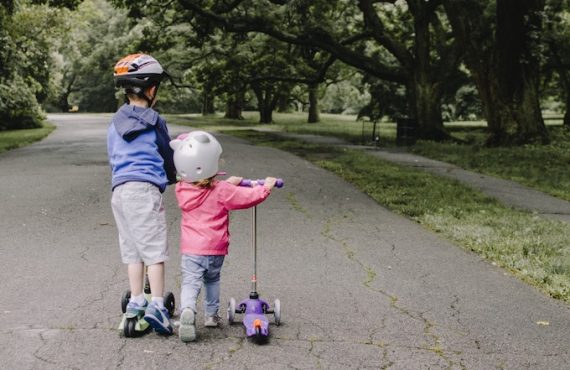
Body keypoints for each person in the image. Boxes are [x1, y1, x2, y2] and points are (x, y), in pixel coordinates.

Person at [169, 131, 277, 342]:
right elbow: (246, 197)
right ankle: (211, 316)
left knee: (191, 283)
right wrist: (266, 188)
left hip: (191, 249)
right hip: (215, 249)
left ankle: (187, 311)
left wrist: (228, 183)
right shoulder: (222, 190)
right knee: (212, 280)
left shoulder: (182, 189)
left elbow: (204, 187)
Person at [107, 53, 177, 335]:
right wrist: (173, 177)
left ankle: (136, 300)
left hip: (120, 191)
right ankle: (158, 304)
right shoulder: (154, 121)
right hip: (144, 191)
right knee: (155, 251)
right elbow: (167, 152)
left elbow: (113, 156)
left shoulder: (114, 123)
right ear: (151, 90)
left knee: (133, 251)